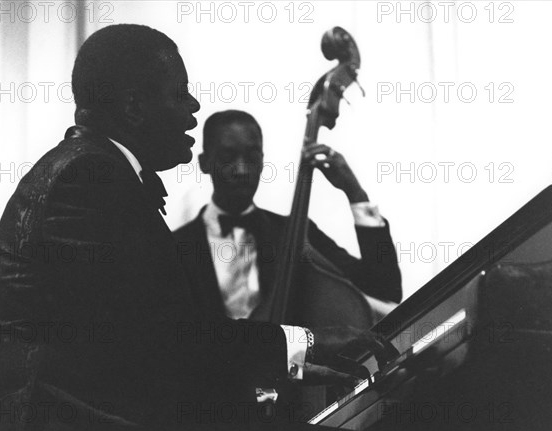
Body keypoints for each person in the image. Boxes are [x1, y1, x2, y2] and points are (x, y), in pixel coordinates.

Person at [0, 25, 396, 431]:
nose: (194, 107)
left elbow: (144, 345)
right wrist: (305, 342)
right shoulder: (89, 178)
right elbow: (166, 343)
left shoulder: (96, 171)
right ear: (135, 106)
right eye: (180, 93)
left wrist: (294, 362)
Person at [172, 110, 402, 325]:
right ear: (204, 163)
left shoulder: (296, 232)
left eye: (252, 157)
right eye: (227, 157)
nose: (242, 170)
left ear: (262, 160)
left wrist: (355, 193)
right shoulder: (175, 247)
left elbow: (383, 289)